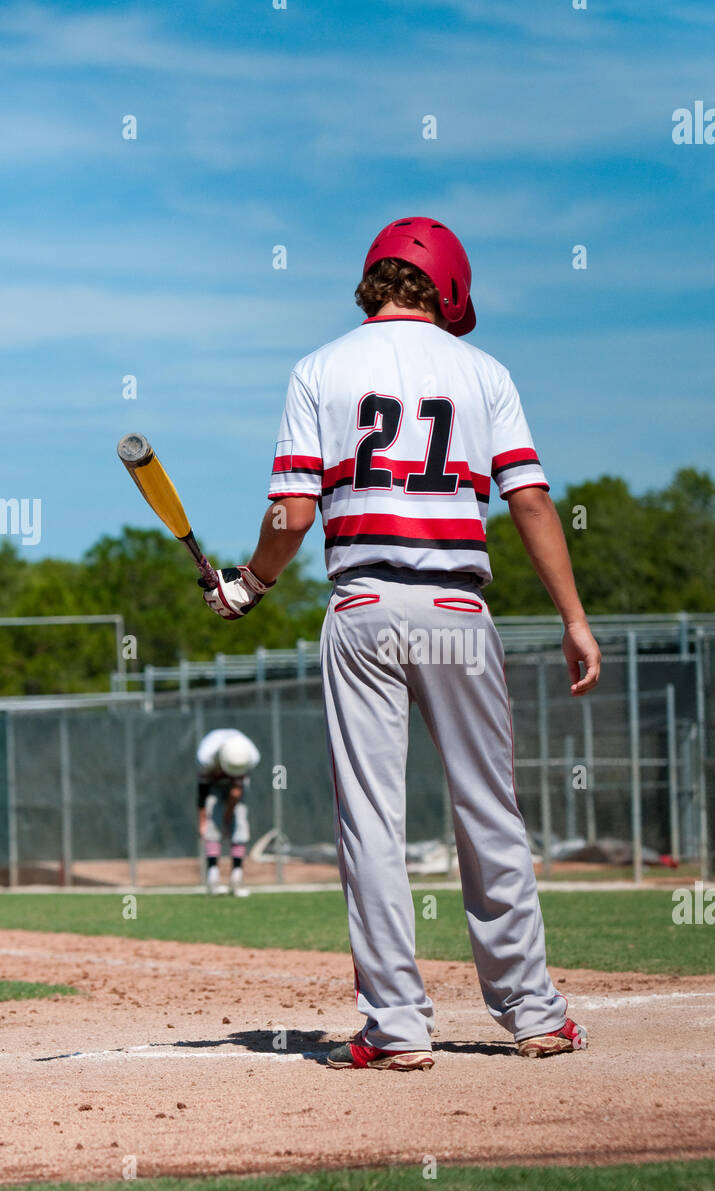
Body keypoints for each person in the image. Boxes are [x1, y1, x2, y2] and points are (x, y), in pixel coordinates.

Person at [202, 216, 601, 1069]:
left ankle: (395, 1027)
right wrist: (572, 616)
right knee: (488, 810)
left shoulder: (317, 369)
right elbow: (529, 501)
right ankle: (532, 1012)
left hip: (362, 608)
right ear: (447, 288)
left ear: (371, 281)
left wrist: (251, 582)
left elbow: (293, 513)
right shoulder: (483, 371)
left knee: (371, 823)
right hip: (458, 613)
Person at [195, 728, 260, 897]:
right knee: (211, 827)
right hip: (213, 785)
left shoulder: (250, 756)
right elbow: (202, 791)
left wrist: (227, 816)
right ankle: (213, 878)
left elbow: (236, 792)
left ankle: (236, 878)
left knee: (239, 826)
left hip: (235, 787)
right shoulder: (206, 756)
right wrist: (202, 821)